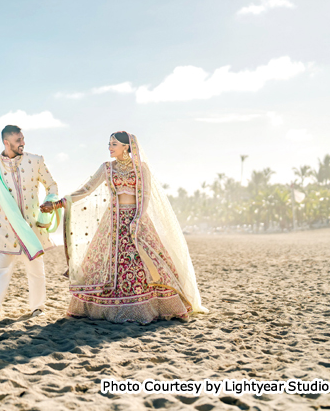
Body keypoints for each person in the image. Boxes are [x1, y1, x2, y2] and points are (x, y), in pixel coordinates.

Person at [41, 131, 207, 324]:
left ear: (126, 147)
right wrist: (58, 203)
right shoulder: (107, 168)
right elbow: (86, 189)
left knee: (143, 261)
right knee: (103, 263)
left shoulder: (141, 169)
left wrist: (136, 220)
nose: (109, 147)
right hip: (113, 221)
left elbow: (145, 196)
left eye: (114, 144)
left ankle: (149, 307)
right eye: (109, 144)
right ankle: (104, 307)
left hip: (136, 220)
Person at [0, 125, 59, 319]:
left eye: (22, 139)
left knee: (36, 269)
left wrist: (50, 201)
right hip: (5, 227)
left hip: (31, 227)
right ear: (6, 143)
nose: (23, 143)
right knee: (0, 268)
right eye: (18, 141)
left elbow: (52, 185)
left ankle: (38, 308)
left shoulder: (35, 161)